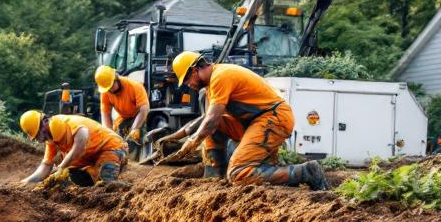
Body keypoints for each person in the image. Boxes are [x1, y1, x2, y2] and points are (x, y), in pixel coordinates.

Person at [158, 51, 326, 189]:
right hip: (256, 122)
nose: (187, 85)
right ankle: (214, 179)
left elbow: (210, 120)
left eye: (186, 80)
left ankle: (305, 172)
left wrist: (192, 142)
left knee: (238, 173)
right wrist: (177, 136)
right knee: (213, 128)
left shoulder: (220, 77)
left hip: (273, 118)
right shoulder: (212, 84)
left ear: (195, 70)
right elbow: (207, 120)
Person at [19, 110, 127, 188]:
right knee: (65, 178)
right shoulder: (51, 139)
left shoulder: (70, 123)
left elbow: (80, 146)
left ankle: (127, 190)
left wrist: (61, 166)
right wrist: (27, 182)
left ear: (45, 122)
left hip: (113, 148)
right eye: (36, 136)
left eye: (38, 134)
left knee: (105, 185)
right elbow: (45, 167)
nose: (39, 139)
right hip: (91, 159)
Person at [95, 65, 150, 158]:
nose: (110, 90)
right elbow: (105, 113)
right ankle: (120, 160)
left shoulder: (135, 86)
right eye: (108, 89)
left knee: (136, 136)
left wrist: (134, 129)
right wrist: (109, 133)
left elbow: (144, 109)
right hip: (124, 117)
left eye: (111, 86)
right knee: (117, 140)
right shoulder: (106, 91)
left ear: (116, 78)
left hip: (139, 116)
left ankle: (137, 161)